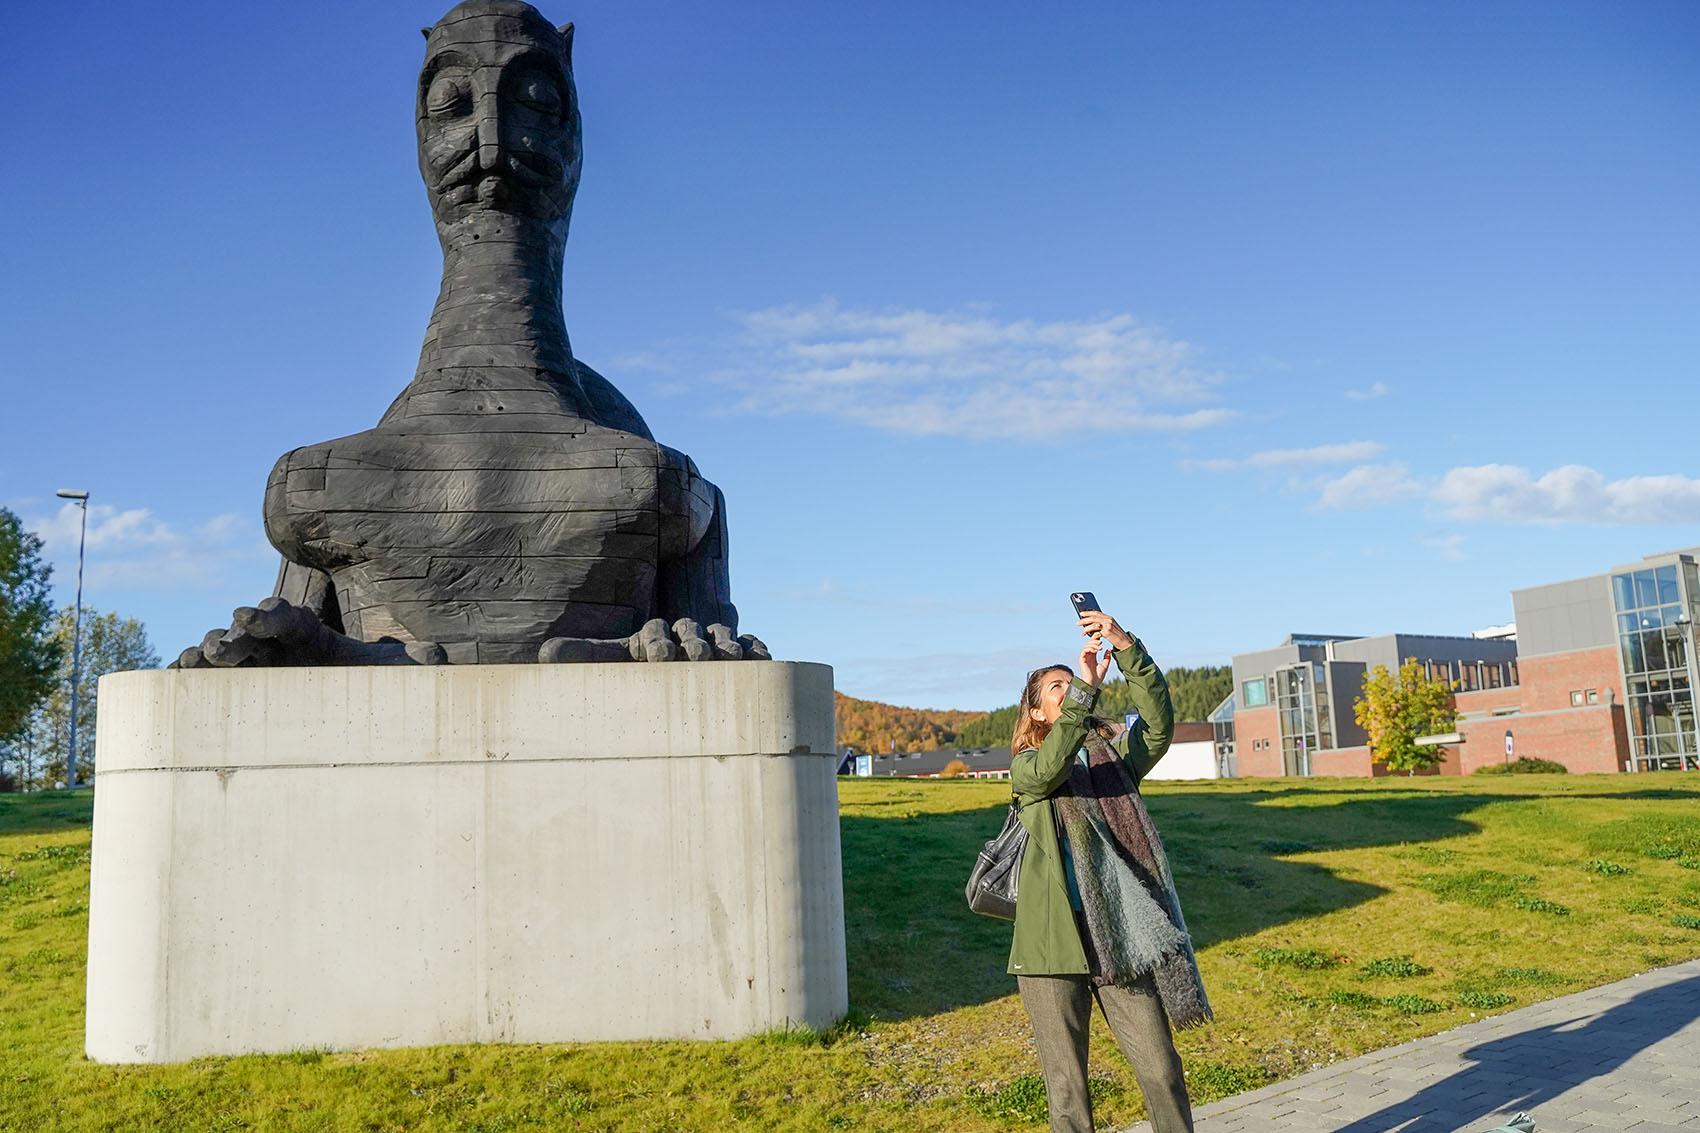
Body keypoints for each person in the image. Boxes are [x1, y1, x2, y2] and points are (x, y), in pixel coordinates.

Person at [1007, 608, 1211, 1133]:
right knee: (1069, 1091)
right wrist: (1085, 697)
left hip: (1120, 934)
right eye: (1058, 688)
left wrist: (1124, 647)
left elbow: (1160, 726)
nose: (1072, 689)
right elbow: (1054, 763)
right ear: (1036, 713)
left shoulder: (1112, 761)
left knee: (1162, 1070)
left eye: (1073, 684)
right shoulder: (1028, 770)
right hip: (1052, 946)